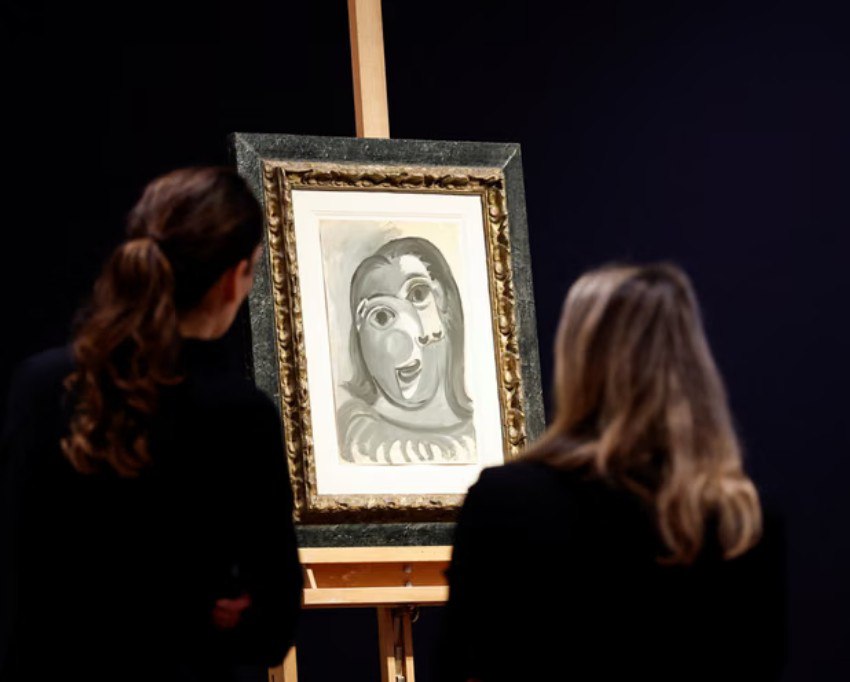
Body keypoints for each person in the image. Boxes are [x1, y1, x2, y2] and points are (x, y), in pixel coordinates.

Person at [0, 167, 302, 681]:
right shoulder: (240, 415)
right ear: (234, 279)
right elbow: (273, 623)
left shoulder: (41, 386)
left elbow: (16, 579)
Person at [439, 263, 786, 681]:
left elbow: (460, 661)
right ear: (693, 363)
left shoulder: (506, 500)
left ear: (577, 360)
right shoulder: (742, 520)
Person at [338, 237, 476, 464]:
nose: (406, 333)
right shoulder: (354, 435)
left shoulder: (486, 432)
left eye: (418, 295)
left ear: (444, 301)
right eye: (381, 316)